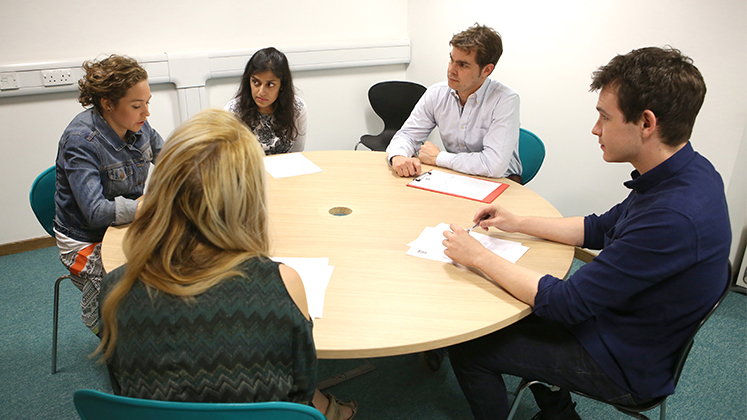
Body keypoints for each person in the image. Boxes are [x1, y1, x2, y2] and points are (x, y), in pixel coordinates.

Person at [442, 47, 731, 420]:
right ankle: (560, 412)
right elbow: (598, 227)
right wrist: (516, 222)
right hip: (627, 320)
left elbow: (565, 304)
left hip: (624, 361)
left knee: (470, 349)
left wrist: (478, 256)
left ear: (646, 123)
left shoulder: (672, 216)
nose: (596, 129)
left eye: (604, 117)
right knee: (509, 301)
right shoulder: (686, 171)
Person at [95, 109, 355, 419]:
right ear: (249, 197)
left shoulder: (115, 290)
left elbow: (123, 387)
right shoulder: (284, 284)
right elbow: (301, 390)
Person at [54, 54, 164, 334]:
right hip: (84, 239)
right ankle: (102, 320)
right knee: (131, 291)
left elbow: (170, 158)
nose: (146, 113)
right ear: (108, 104)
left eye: (147, 103)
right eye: (137, 105)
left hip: (128, 224)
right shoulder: (80, 141)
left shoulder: (138, 125)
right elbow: (95, 212)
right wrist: (151, 208)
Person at [386, 23, 522, 182]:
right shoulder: (436, 94)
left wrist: (438, 158)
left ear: (486, 70)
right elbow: (407, 135)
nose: (451, 70)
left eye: (463, 65)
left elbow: (493, 165)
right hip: (457, 175)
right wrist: (398, 156)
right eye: (452, 60)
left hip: (502, 181)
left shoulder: (505, 100)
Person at [225, 47, 307, 155]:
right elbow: (228, 157)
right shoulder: (232, 111)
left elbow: (297, 152)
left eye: (270, 85)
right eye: (256, 83)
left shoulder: (297, 108)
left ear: (282, 85)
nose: (261, 92)